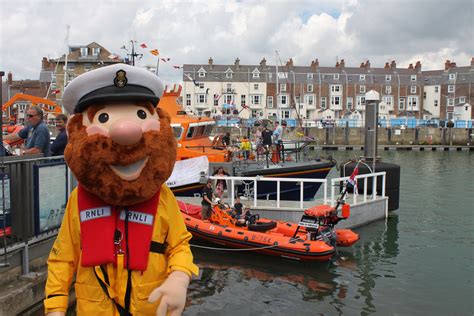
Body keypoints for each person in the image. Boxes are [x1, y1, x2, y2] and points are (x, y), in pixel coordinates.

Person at [44, 64, 198, 316]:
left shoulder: (162, 198)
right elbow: (63, 258)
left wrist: (179, 277)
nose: (126, 131)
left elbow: (179, 245)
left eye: (140, 114)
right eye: (103, 118)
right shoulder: (78, 200)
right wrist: (55, 307)